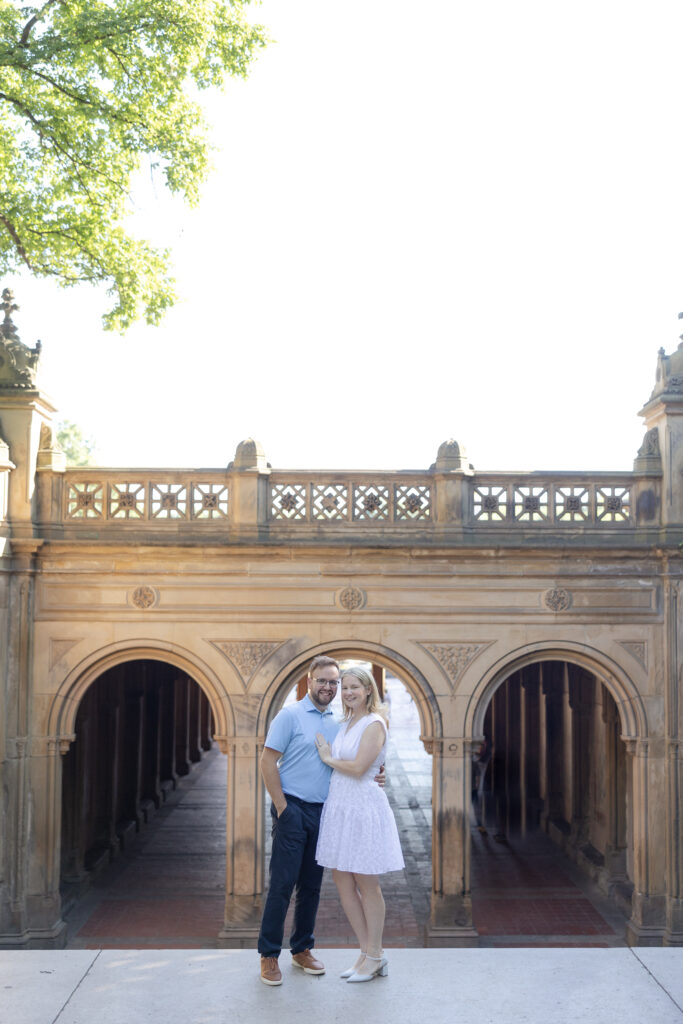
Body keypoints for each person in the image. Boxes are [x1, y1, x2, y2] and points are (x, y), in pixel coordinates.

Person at [257, 654, 384, 986]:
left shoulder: (339, 720)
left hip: (326, 811)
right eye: (323, 680)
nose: (329, 687)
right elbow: (267, 762)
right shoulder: (290, 716)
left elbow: (357, 759)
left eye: (334, 682)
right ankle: (269, 955)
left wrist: (375, 776)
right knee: (282, 884)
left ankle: (302, 949)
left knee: (312, 886)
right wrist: (282, 807)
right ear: (308, 680)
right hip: (293, 807)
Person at [314, 666, 404, 983]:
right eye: (346, 687)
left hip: (363, 808)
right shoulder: (348, 721)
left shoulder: (374, 722)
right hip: (341, 806)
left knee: (367, 883)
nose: (349, 692)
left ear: (368, 690)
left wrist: (327, 758)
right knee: (342, 880)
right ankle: (365, 953)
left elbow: (359, 767)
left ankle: (377, 954)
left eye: (355, 687)